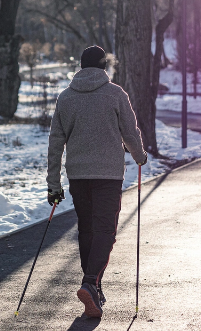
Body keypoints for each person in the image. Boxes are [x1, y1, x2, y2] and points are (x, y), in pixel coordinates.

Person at [47, 45, 147, 318]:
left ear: (81, 67)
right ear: (104, 66)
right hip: (108, 175)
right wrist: (139, 156)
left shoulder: (66, 98)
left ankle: (93, 287)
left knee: (87, 230)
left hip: (78, 175)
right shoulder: (115, 94)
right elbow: (130, 131)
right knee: (105, 231)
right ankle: (90, 282)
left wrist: (53, 183)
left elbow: (56, 142)